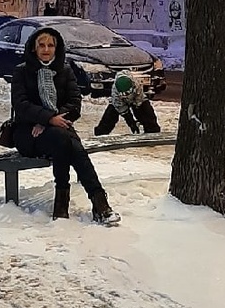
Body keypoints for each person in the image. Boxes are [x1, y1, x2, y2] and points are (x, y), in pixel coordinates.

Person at [11, 26, 121, 225]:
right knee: (69, 142)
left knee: (64, 141)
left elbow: (75, 104)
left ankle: (66, 205)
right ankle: (99, 204)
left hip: (59, 129)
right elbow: (21, 106)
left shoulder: (65, 70)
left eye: (50, 45)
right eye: (41, 45)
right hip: (27, 133)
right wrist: (48, 119)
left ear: (57, 48)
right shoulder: (22, 72)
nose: (46, 49)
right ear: (34, 48)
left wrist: (51, 122)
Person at [94, 73, 161, 136]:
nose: (126, 96)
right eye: (123, 94)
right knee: (110, 114)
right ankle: (101, 133)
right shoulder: (115, 93)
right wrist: (131, 122)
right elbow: (121, 108)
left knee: (147, 110)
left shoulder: (137, 86)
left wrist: (139, 116)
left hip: (136, 99)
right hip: (120, 102)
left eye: (127, 93)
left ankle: (153, 131)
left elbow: (139, 101)